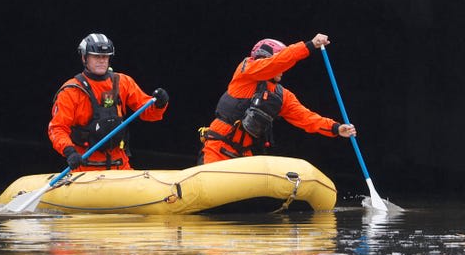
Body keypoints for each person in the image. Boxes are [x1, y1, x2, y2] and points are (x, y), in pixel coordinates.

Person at [199, 34, 355, 163]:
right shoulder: (246, 70)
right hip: (217, 148)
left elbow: (306, 118)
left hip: (244, 155)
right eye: (281, 65)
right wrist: (309, 45)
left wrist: (336, 128)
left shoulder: (281, 95)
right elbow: (277, 62)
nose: (283, 70)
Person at [48, 33, 169, 172]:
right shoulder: (71, 91)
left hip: (119, 165)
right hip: (85, 167)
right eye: (96, 56)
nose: (101, 61)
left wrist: (160, 104)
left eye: (105, 56)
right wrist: (69, 151)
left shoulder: (122, 82)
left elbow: (147, 111)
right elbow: (57, 128)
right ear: (84, 57)